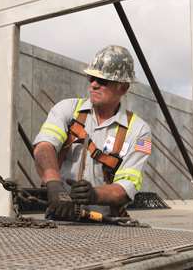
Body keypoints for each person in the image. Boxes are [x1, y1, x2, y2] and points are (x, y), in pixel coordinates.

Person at [33, 45, 152, 221]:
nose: (94, 85)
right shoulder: (67, 109)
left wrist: (95, 195)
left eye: (102, 81)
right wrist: (54, 184)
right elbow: (44, 146)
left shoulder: (140, 131)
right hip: (59, 216)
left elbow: (129, 184)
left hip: (105, 224)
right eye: (91, 78)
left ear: (123, 88)